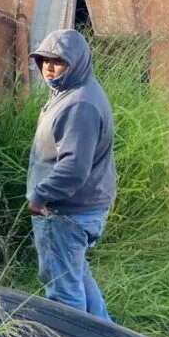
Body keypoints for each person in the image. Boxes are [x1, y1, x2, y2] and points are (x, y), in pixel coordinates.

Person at [28, 29, 117, 321]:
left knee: (64, 294)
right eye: (43, 60)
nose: (49, 67)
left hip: (66, 213)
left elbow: (74, 168)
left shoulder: (80, 103)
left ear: (76, 62)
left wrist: (41, 194)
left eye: (58, 62)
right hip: (78, 210)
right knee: (76, 277)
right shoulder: (71, 92)